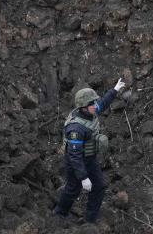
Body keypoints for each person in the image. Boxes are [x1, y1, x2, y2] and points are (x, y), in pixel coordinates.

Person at [53, 78, 128, 225]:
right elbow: (74, 156)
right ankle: (59, 214)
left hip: (89, 158)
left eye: (94, 102)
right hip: (75, 162)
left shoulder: (90, 111)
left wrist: (115, 89)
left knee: (99, 186)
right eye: (92, 103)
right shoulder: (76, 128)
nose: (96, 105)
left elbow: (103, 103)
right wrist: (83, 177)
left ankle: (90, 220)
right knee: (73, 189)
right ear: (83, 107)